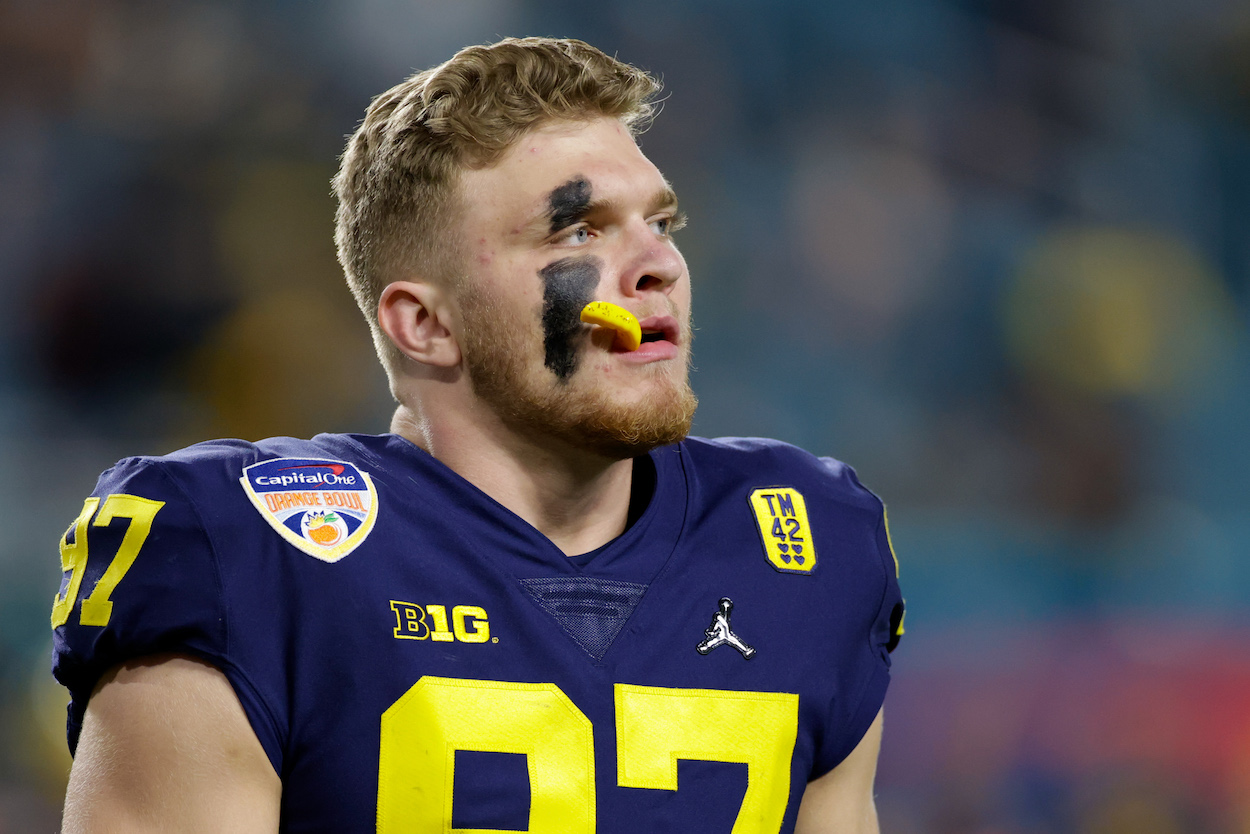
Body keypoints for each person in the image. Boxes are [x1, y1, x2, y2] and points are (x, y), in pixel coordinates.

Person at [50, 37, 904, 833]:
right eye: (578, 229)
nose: (659, 264)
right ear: (425, 324)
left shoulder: (810, 547)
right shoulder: (243, 549)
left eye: (661, 223)